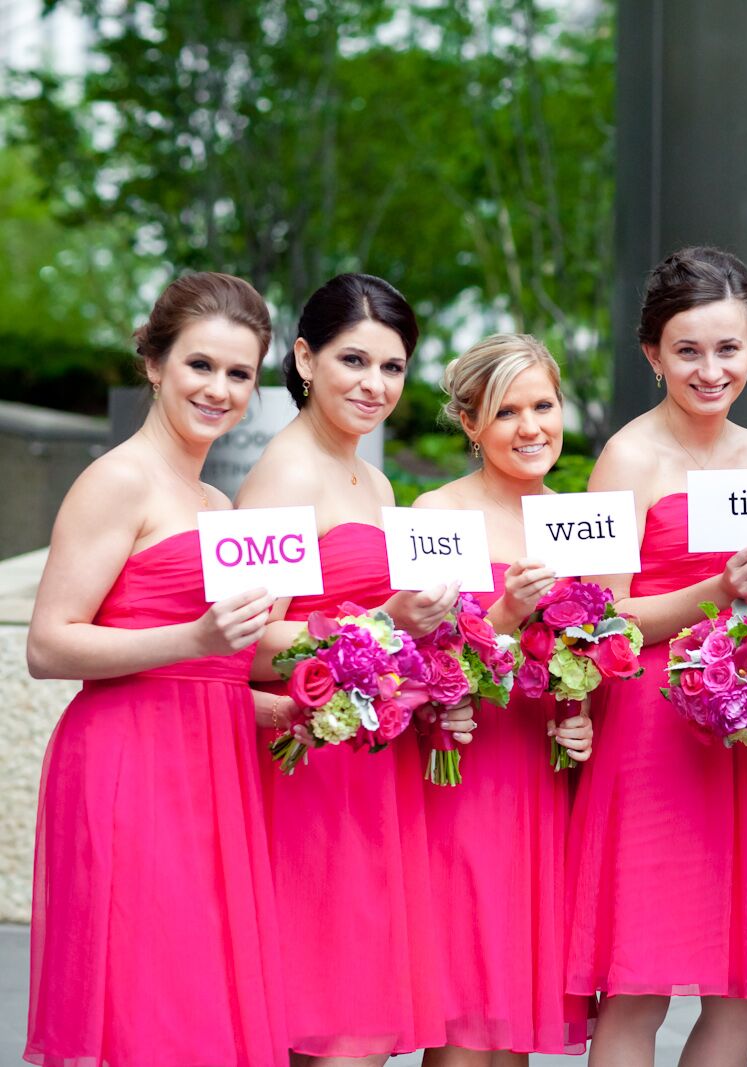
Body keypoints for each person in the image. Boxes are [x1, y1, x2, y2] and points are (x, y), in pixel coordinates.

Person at [26, 272, 286, 1066]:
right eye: (199, 365)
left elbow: (227, 663)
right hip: (128, 768)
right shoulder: (118, 481)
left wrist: (325, 682)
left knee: (199, 1008)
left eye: (238, 373)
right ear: (153, 364)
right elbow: (48, 644)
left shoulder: (219, 504)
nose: (219, 389)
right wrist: (191, 638)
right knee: (144, 1009)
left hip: (212, 768)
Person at [564, 247, 747, 1067]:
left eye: (728, 348)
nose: (710, 368)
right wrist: (714, 589)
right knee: (641, 978)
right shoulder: (627, 459)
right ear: (652, 353)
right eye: (688, 350)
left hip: (736, 728)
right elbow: (602, 619)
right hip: (647, 729)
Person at [238, 273, 470, 1065]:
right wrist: (384, 621)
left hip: (371, 764)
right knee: (329, 1027)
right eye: (354, 361)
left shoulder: (372, 479)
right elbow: (251, 641)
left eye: (393, 367)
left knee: (359, 1029)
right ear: (303, 358)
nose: (375, 385)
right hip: (306, 770)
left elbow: (383, 626)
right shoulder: (283, 474)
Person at [413, 333, 595, 1064]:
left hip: (542, 781)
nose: (531, 427)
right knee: (466, 1016)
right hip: (463, 779)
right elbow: (419, 662)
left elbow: (591, 651)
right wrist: (503, 617)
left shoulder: (576, 517)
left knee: (515, 1020)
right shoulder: (437, 508)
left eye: (543, 405)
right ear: (468, 423)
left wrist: (578, 718)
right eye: (505, 410)